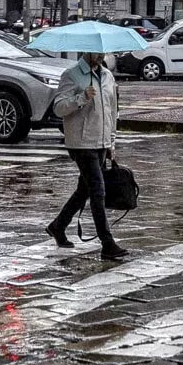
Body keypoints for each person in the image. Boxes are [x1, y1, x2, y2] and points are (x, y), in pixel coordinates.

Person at [45, 52, 127, 260]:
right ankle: (107, 243)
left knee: (85, 190)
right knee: (98, 191)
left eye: (103, 52)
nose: (101, 56)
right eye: (97, 53)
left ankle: (58, 225)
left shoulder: (107, 75)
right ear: (86, 51)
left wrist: (111, 141)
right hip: (81, 143)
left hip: (101, 142)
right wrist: (81, 98)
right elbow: (59, 108)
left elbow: (112, 111)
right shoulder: (71, 75)